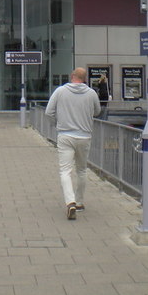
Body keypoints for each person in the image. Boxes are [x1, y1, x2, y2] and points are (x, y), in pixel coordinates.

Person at [44, 67, 101, 220]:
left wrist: (56, 125)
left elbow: (49, 112)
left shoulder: (60, 91)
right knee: (81, 170)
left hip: (65, 135)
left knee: (65, 171)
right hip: (84, 136)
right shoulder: (91, 93)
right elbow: (97, 111)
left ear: (72, 76)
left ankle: (70, 202)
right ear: (84, 78)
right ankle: (80, 201)